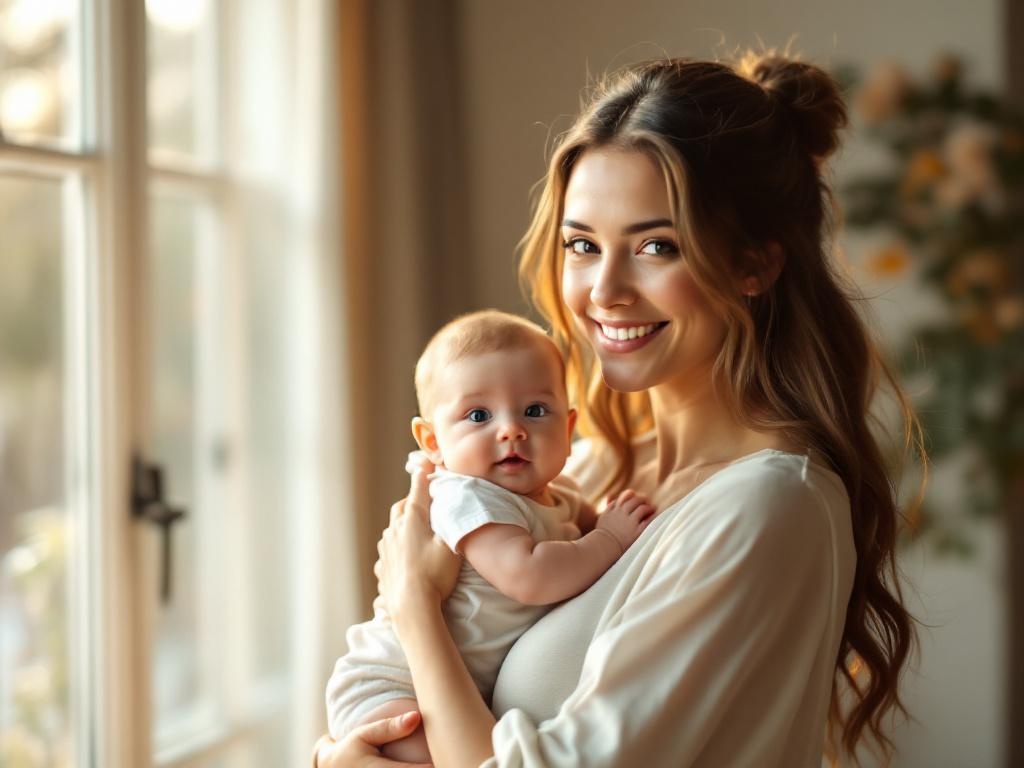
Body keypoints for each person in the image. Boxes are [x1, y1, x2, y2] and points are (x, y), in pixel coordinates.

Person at [314, 50, 924, 767]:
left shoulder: (765, 508)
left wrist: (414, 604)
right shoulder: (584, 471)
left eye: (655, 246)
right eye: (582, 244)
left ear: (754, 264)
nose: (605, 289)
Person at [326, 310, 655, 763]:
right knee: (433, 756)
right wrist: (610, 540)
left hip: (452, 689)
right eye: (478, 415)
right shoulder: (470, 499)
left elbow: (580, 527)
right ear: (433, 442)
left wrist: (604, 522)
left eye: (535, 411)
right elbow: (530, 576)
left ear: (568, 426)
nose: (511, 429)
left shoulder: (563, 492)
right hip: (392, 686)